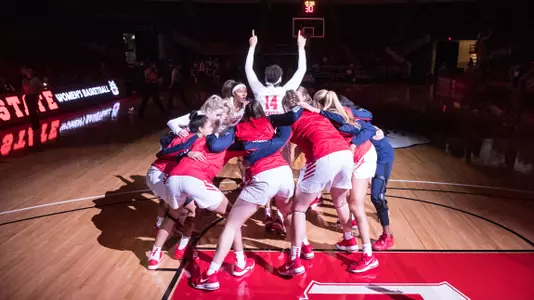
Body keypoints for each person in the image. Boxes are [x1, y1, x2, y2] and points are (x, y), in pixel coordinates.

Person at [192, 101, 297, 291]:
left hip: (265, 176)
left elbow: (217, 146)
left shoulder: (239, 128)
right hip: (285, 173)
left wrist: (212, 134)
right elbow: (288, 125)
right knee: (288, 215)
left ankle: (211, 274)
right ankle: (295, 258)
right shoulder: (269, 123)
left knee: (232, 225)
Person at [272, 90, 354, 276]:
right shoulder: (316, 113)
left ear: (285, 107)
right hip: (345, 153)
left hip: (324, 155)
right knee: (340, 201)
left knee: (298, 209)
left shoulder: (288, 120)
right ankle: (349, 240)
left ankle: (295, 259)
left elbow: (285, 151)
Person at [147, 111, 235, 270]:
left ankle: (156, 251)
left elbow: (163, 146)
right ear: (201, 128)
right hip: (164, 174)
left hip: (162, 174)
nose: (211, 128)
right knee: (191, 211)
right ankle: (183, 247)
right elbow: (163, 152)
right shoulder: (194, 138)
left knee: (172, 211)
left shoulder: (185, 134)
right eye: (209, 125)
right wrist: (186, 153)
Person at [308, 90, 379, 272]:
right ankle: (348, 239)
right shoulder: (329, 115)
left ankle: (368, 255)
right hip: (346, 157)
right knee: (338, 198)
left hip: (363, 156)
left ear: (318, 104)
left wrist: (354, 143)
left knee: (355, 205)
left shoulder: (343, 113)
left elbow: (369, 128)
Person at [245, 30, 307, 116]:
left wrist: (252, 47)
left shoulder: (259, 90)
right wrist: (301, 47)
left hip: (263, 127)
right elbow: (302, 69)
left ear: (266, 78)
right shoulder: (285, 91)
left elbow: (248, 68)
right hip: (279, 127)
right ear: (280, 78)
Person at [20, 65, 43, 130]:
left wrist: (38, 95)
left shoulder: (36, 79)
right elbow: (23, 89)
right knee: (31, 110)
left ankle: (36, 124)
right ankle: (34, 124)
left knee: (33, 110)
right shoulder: (24, 80)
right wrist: (22, 94)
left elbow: (40, 87)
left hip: (34, 96)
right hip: (28, 96)